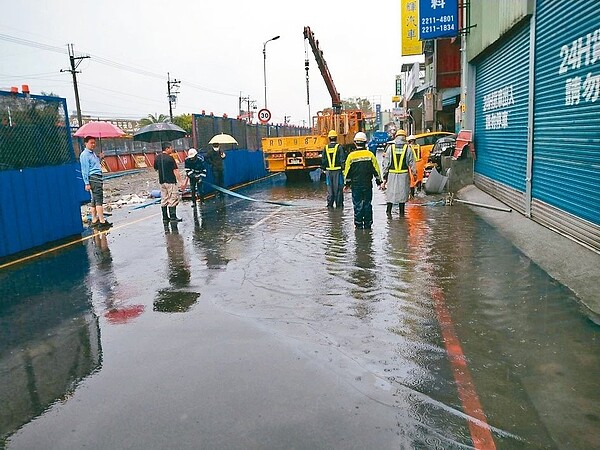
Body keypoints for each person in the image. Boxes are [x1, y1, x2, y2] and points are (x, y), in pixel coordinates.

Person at [343, 132, 383, 229]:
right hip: (367, 185)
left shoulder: (351, 156)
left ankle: (359, 225)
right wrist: (379, 182)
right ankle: (368, 225)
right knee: (367, 204)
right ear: (365, 143)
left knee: (357, 205)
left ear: (355, 143)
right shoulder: (370, 155)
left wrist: (346, 184)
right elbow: (376, 170)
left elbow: (347, 172)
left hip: (356, 186)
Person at [382, 129, 417, 217]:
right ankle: (401, 215)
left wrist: (384, 176)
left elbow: (386, 164)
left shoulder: (390, 148)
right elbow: (412, 162)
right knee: (402, 194)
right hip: (403, 175)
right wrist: (414, 174)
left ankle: (388, 213)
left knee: (390, 194)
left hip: (392, 175)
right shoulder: (408, 149)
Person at [79, 136, 112, 230]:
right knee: (98, 198)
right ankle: (102, 221)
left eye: (94, 142)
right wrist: (86, 183)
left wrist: (100, 158)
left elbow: (96, 165)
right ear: (86, 143)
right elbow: (85, 170)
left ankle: (94, 220)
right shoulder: (84, 155)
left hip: (97, 176)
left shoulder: (92, 154)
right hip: (93, 178)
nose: (93, 144)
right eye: (91, 143)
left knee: (94, 199)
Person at [154, 142, 185, 223]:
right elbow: (175, 170)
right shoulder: (170, 158)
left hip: (162, 181)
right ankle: (173, 217)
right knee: (173, 198)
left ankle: (165, 217)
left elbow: (156, 168)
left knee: (164, 198)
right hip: (170, 181)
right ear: (167, 149)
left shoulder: (157, 158)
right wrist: (180, 182)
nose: (172, 149)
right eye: (170, 148)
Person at [320, 129, 346, 208]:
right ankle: (339, 207)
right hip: (338, 172)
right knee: (338, 190)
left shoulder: (326, 148)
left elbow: (323, 160)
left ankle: (330, 206)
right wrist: (344, 170)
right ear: (336, 138)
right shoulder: (339, 147)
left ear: (329, 138)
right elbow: (342, 159)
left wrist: (323, 169)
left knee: (330, 190)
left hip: (328, 172)